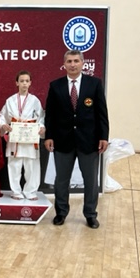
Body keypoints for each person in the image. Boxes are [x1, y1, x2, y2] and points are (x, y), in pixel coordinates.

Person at [44, 50, 109, 229]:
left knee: (90, 180)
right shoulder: (55, 85)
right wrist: (49, 136)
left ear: (82, 63)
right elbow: (50, 114)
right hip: (62, 141)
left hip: (89, 141)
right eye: (69, 61)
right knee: (61, 180)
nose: (72, 64)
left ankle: (90, 214)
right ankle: (61, 213)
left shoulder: (94, 84)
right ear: (64, 64)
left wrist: (104, 136)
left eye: (76, 61)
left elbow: (101, 113)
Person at [0, 70, 45, 200]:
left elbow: (41, 117)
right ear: (17, 83)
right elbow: (2, 116)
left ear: (30, 83)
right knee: (15, 165)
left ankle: (30, 191)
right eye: (22, 81)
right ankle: (16, 191)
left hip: (30, 136)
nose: (24, 83)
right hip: (15, 136)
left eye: (27, 81)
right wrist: (4, 125)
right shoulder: (10, 100)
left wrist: (41, 127)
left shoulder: (35, 100)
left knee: (32, 165)